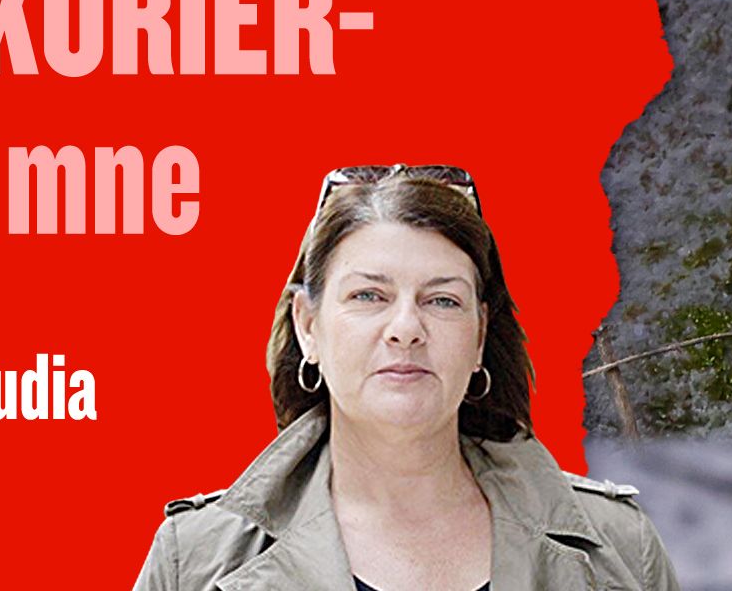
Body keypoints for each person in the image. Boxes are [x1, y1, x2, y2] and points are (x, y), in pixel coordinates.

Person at [135, 165, 678, 591]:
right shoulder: (196, 560)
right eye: (369, 296)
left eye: (441, 300)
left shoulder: (621, 550)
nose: (405, 329)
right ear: (308, 328)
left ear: (480, 335)